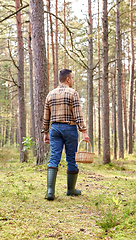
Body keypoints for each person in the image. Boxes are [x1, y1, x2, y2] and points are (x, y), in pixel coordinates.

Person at [42, 69, 89, 200]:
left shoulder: (50, 94)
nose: (72, 81)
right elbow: (78, 114)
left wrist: (46, 132)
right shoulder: (73, 93)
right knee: (71, 159)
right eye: (72, 78)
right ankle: (71, 189)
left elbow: (46, 116)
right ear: (68, 79)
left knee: (54, 158)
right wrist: (84, 131)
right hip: (69, 128)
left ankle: (50, 191)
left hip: (55, 129)